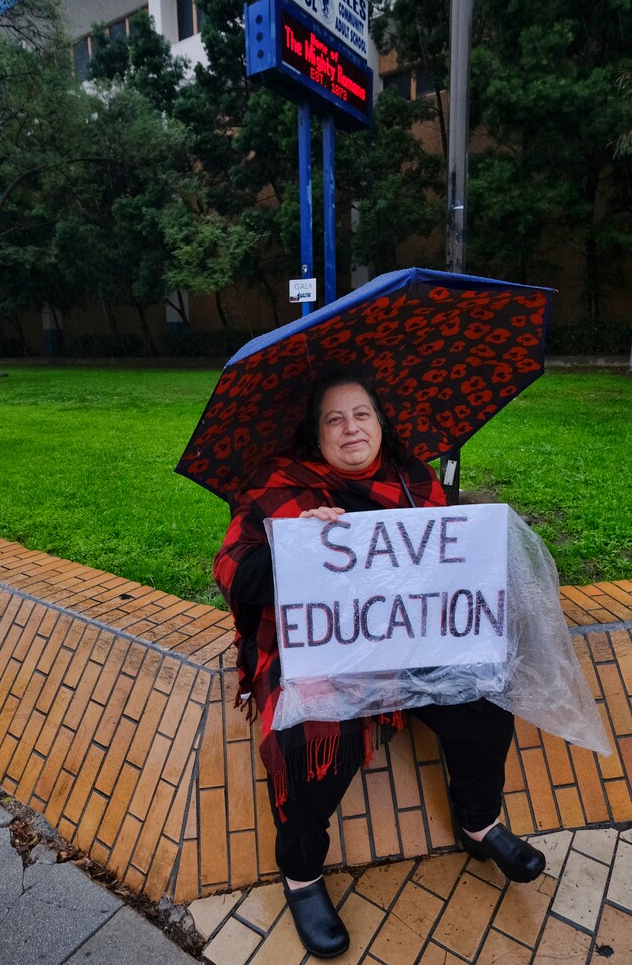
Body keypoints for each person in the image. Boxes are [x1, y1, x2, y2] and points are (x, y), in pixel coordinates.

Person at [214, 372, 545, 959]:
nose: (351, 429)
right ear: (315, 434)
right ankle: (301, 873)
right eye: (334, 419)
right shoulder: (281, 484)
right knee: (317, 739)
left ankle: (477, 823)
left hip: (413, 645)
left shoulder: (415, 479)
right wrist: (299, 546)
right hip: (324, 653)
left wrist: (481, 539)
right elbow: (235, 571)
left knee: (486, 704)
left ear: (380, 422)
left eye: (361, 414)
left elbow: (453, 565)